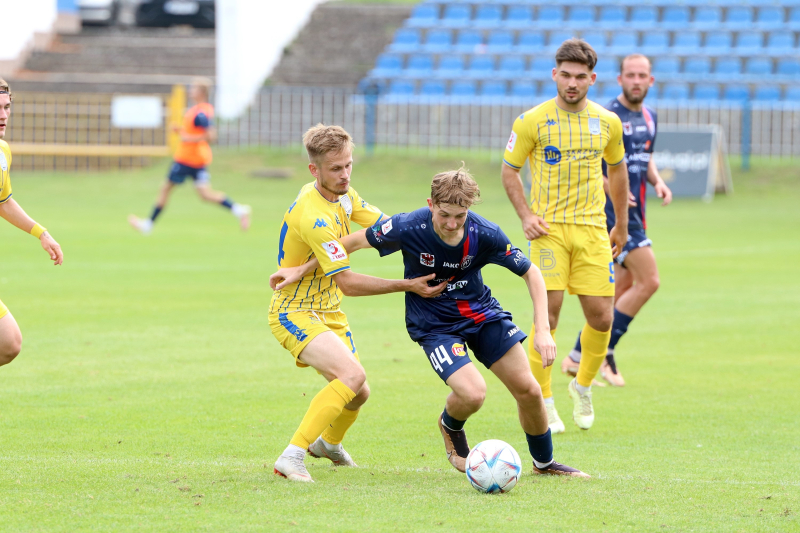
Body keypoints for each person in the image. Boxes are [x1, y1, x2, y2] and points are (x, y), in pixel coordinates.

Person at [272, 167, 589, 478]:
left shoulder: (485, 233)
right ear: (430, 205)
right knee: (473, 394)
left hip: (480, 312)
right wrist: (302, 269)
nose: (452, 224)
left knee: (529, 390)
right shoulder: (408, 226)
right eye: (444, 214)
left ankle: (545, 464)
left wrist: (543, 330)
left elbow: (531, 272)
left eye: (460, 216)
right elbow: (350, 242)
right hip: (434, 325)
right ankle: (450, 425)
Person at [270, 124, 445, 483]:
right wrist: (407, 285)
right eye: (335, 168)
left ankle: (328, 444)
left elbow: (386, 227)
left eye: (349, 165)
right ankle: (292, 456)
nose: (345, 174)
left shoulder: (344, 195)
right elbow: (347, 282)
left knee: (357, 392)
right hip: (294, 311)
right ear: (313, 170)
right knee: (352, 376)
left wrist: (437, 225)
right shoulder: (313, 215)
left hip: (328, 311)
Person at [500, 39, 630, 433]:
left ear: (592, 79)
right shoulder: (531, 121)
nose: (572, 83)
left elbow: (619, 172)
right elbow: (510, 171)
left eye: (580, 77)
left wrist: (621, 224)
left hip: (592, 230)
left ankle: (583, 385)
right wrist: (525, 216)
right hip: (549, 232)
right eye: (566, 75)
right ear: (555, 74)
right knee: (548, 315)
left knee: (602, 317)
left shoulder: (608, 122)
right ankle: (546, 399)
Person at [564, 54, 672, 387]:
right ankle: (604, 352)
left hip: (637, 212)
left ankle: (578, 356)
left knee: (622, 287)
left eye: (642, 75)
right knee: (649, 281)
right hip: (615, 216)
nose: (636, 80)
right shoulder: (608, 118)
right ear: (619, 79)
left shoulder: (650, 118)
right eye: (630, 75)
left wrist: (657, 182)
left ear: (651, 81)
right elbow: (600, 167)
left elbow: (644, 157)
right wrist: (614, 193)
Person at [129, 78, 250, 234]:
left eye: (193, 88)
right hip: (198, 159)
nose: (190, 91)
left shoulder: (200, 113)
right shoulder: (200, 109)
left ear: (201, 92)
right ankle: (239, 210)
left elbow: (211, 135)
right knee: (205, 195)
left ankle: (148, 225)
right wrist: (181, 132)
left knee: (165, 188)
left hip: (187, 159)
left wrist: (187, 138)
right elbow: (196, 133)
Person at [0, 78, 64, 368]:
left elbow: (3, 201)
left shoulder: (3, 151)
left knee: (8, 343)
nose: (3, 115)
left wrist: (41, 233)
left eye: (7, 107)